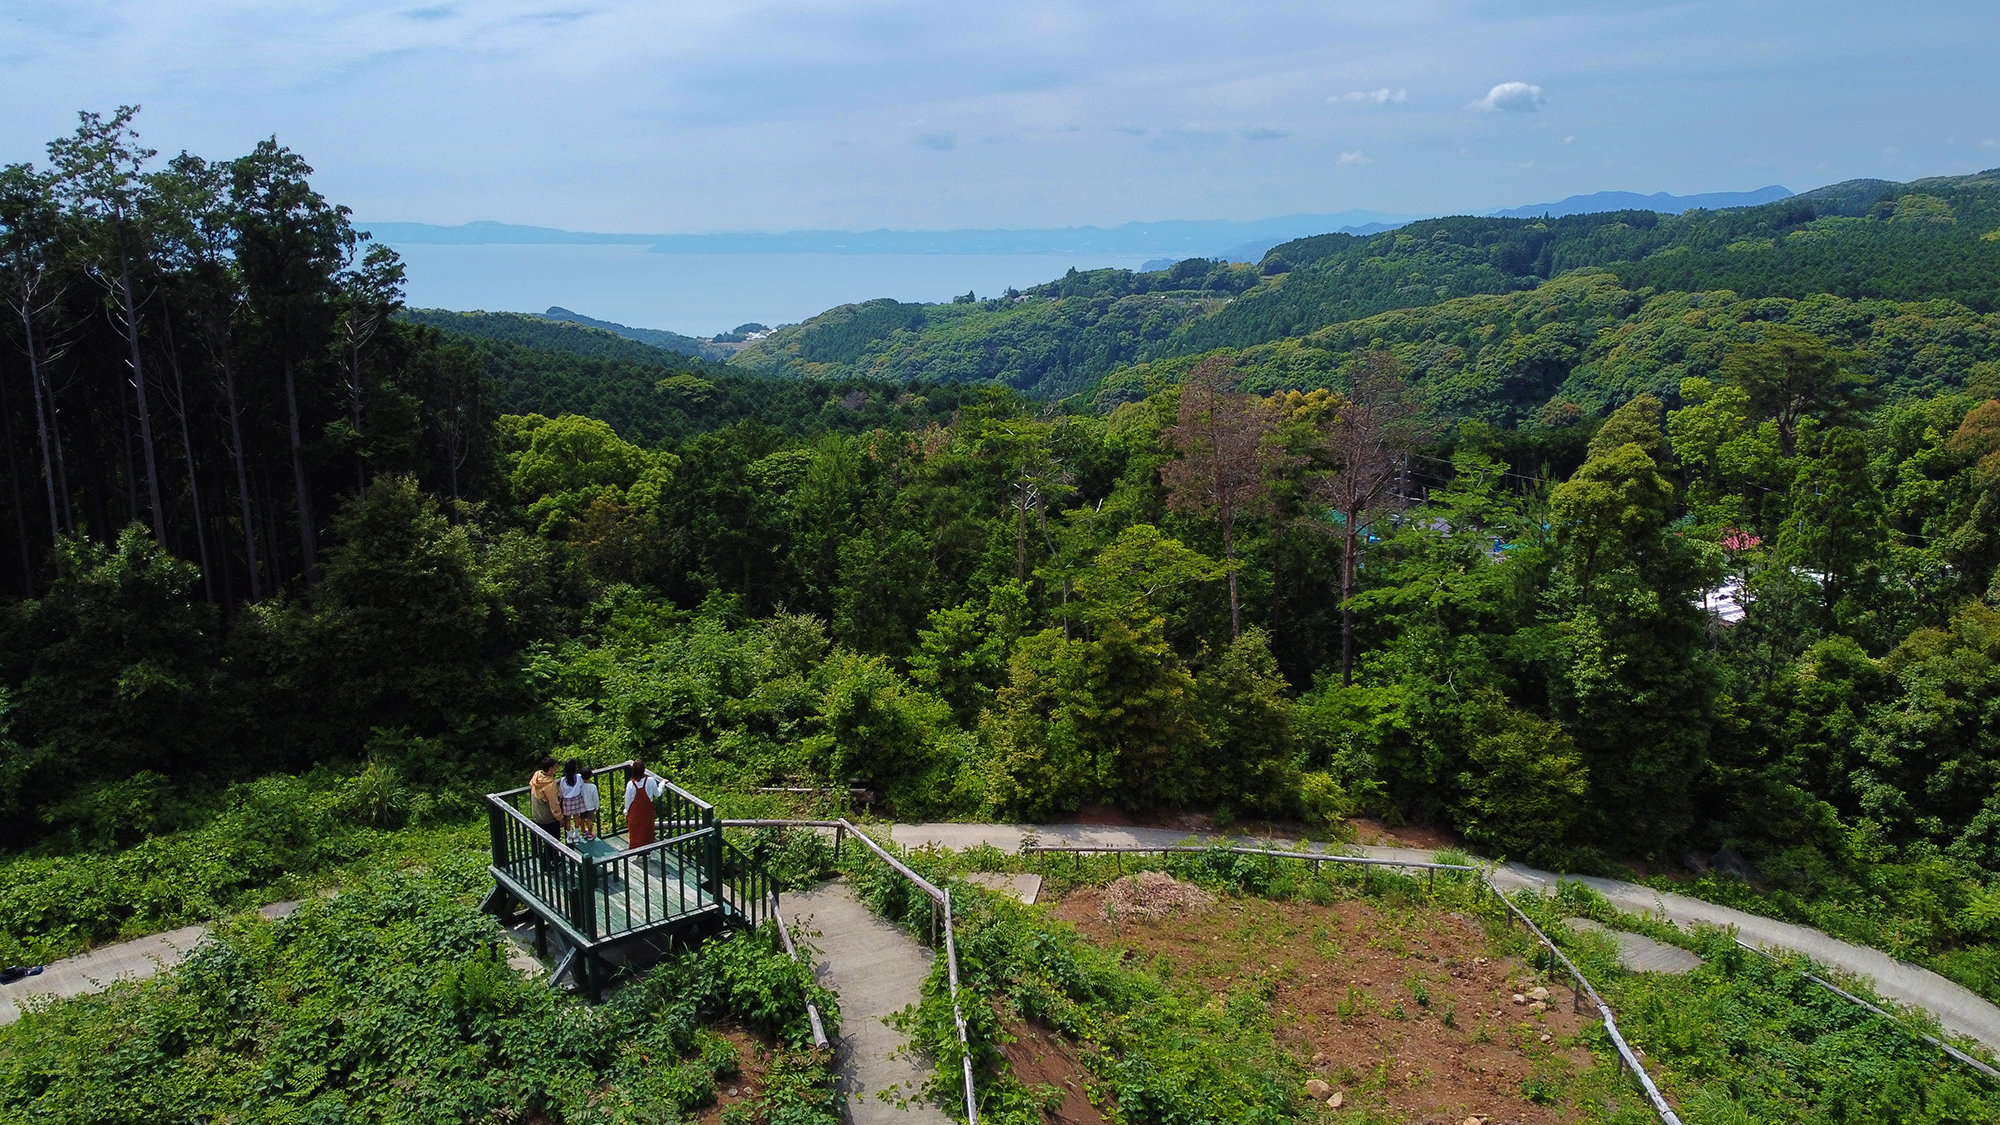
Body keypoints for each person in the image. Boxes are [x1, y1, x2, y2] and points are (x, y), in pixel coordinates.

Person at [624, 759, 664, 849]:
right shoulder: (650, 781)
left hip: (635, 813)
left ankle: (638, 853)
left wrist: (626, 811)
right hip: (647, 812)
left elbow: (627, 801)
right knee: (648, 832)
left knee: (636, 833)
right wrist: (662, 784)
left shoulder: (631, 784)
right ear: (643, 770)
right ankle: (648, 853)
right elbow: (657, 793)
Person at [558, 759, 591, 844]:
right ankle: (576, 835)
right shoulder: (579, 777)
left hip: (566, 801)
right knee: (577, 818)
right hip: (577, 798)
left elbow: (561, 792)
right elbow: (581, 786)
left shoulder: (563, 780)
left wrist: (560, 798)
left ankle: (569, 836)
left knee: (568, 819)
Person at [528, 755, 562, 837]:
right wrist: (560, 819)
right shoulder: (549, 786)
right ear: (550, 769)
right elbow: (554, 804)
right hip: (548, 819)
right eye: (555, 767)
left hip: (537, 816)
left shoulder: (536, 776)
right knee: (554, 843)